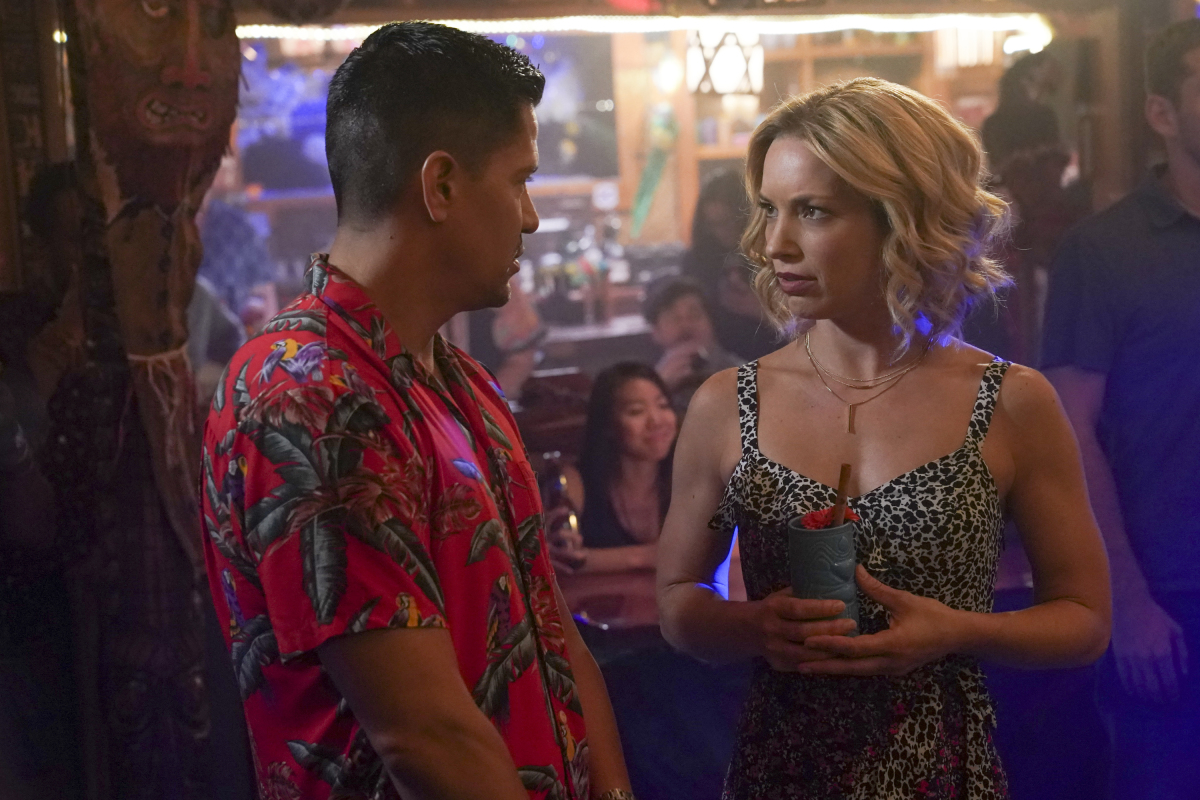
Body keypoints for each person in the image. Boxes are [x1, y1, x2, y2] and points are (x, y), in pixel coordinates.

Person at [200, 22, 633, 800]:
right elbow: (423, 736)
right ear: (440, 186)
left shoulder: (461, 381)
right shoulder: (309, 393)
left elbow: (551, 631)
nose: (530, 217)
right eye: (518, 181)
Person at [656, 77, 1111, 798]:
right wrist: (753, 627)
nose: (774, 244)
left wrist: (958, 630)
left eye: (812, 212)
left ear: (902, 218)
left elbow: (1084, 621)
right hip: (782, 775)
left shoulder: (1011, 402)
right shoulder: (727, 403)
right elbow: (679, 601)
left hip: (943, 775)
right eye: (769, 209)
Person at [1041, 19, 1200, 799]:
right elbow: (1069, 434)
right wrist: (1127, 601)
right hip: (1170, 594)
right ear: (1162, 112)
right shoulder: (1103, 251)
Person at [549, 363, 677, 575]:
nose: (656, 421)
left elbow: (731, 546)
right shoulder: (575, 482)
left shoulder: (694, 474)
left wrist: (597, 559)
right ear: (608, 425)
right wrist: (646, 556)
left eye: (663, 406)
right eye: (636, 411)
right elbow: (560, 560)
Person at [681, 170, 777, 361]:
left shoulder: (773, 253)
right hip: (721, 360)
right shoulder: (698, 260)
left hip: (774, 355)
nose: (722, 231)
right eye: (713, 224)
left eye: (728, 221)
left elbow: (804, 328)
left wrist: (762, 311)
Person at [644, 278, 743, 413]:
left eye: (695, 315)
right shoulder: (645, 381)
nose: (686, 325)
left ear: (711, 323)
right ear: (656, 333)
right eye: (673, 318)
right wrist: (660, 386)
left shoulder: (744, 375)